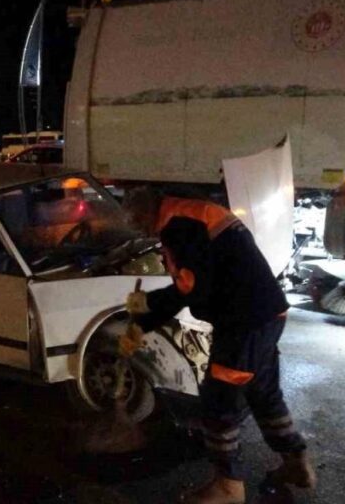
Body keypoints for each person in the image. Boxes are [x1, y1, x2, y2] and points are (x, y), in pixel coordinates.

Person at [120, 187, 315, 504]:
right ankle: (296, 463)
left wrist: (146, 307)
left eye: (135, 222)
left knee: (218, 401)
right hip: (263, 314)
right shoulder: (189, 213)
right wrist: (143, 322)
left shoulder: (178, 225)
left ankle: (228, 487)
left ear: (144, 211)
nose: (138, 230)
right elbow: (196, 282)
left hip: (244, 323)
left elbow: (192, 289)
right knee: (263, 395)